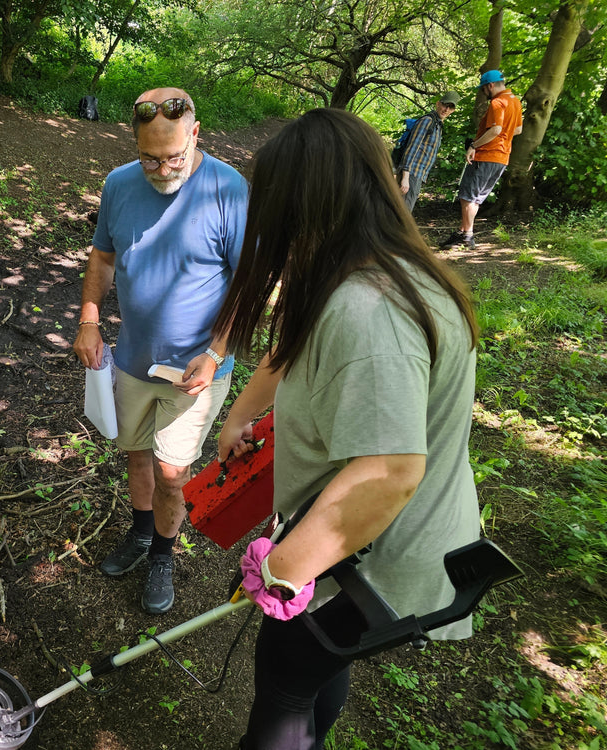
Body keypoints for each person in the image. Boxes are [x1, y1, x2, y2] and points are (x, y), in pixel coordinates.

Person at [212, 108, 481, 749]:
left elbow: (388, 473)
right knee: (309, 671)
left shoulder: (372, 313)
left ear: (302, 203)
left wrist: (284, 568)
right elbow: (293, 346)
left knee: (285, 678)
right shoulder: (361, 267)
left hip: (374, 557)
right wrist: (241, 411)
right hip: (352, 547)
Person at [72, 87, 248, 614]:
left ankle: (163, 555)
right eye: (150, 156)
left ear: (195, 134)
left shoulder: (228, 189)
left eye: (173, 156)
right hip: (132, 358)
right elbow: (103, 258)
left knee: (174, 471)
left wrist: (216, 353)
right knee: (136, 453)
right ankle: (142, 532)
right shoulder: (120, 184)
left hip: (197, 368)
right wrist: (88, 319)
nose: (162, 167)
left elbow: (250, 284)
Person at [440, 70, 523, 250]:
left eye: (484, 90)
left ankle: (467, 236)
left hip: (486, 155)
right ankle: (462, 231)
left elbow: (495, 130)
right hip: (502, 158)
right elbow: (517, 130)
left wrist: (474, 145)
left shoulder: (497, 103)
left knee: (467, 197)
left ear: (490, 86)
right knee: (475, 198)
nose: (484, 93)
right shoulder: (515, 102)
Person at [396, 91, 461, 211]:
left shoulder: (438, 125)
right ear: (438, 104)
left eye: (450, 107)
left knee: (401, 211)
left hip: (418, 175)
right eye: (445, 105)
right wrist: (405, 177)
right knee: (402, 213)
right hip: (411, 173)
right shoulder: (427, 121)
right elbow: (412, 147)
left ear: (453, 110)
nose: (446, 109)